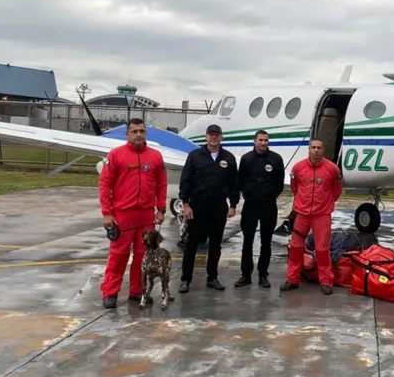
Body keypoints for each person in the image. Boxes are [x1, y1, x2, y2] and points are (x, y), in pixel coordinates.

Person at [99, 118, 167, 309]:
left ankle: (137, 291)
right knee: (118, 255)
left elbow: (161, 184)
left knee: (143, 255)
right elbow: (105, 185)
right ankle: (110, 292)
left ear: (146, 133)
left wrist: (160, 209)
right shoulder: (115, 155)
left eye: (142, 131)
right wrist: (107, 213)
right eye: (134, 131)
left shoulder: (155, 156)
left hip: (146, 216)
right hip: (123, 215)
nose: (138, 134)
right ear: (127, 134)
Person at [178, 124, 240, 292]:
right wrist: (185, 203)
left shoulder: (229, 158)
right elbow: (186, 180)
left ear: (221, 137)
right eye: (211, 135)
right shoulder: (195, 156)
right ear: (206, 137)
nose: (213, 137)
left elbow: (234, 183)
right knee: (191, 244)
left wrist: (233, 204)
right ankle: (186, 279)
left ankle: (212, 278)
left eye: (216, 135)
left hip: (218, 206)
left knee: (215, 245)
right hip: (198, 206)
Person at [280, 138, 344, 295]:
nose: (316, 150)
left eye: (319, 147)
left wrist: (325, 204)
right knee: (296, 247)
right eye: (313, 147)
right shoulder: (298, 168)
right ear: (308, 149)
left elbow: (337, 190)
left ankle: (326, 281)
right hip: (302, 214)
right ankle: (292, 280)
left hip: (322, 215)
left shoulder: (332, 169)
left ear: (323, 150)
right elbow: (295, 188)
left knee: (322, 249)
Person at [234, 130, 285, 288]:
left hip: (269, 206)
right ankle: (246, 275)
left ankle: (263, 275)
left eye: (266, 140)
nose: (263, 143)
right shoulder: (246, 159)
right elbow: (240, 181)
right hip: (251, 205)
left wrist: (269, 195)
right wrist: (250, 194)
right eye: (261, 140)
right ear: (255, 141)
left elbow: (280, 183)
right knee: (247, 242)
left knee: (266, 242)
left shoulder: (276, 159)